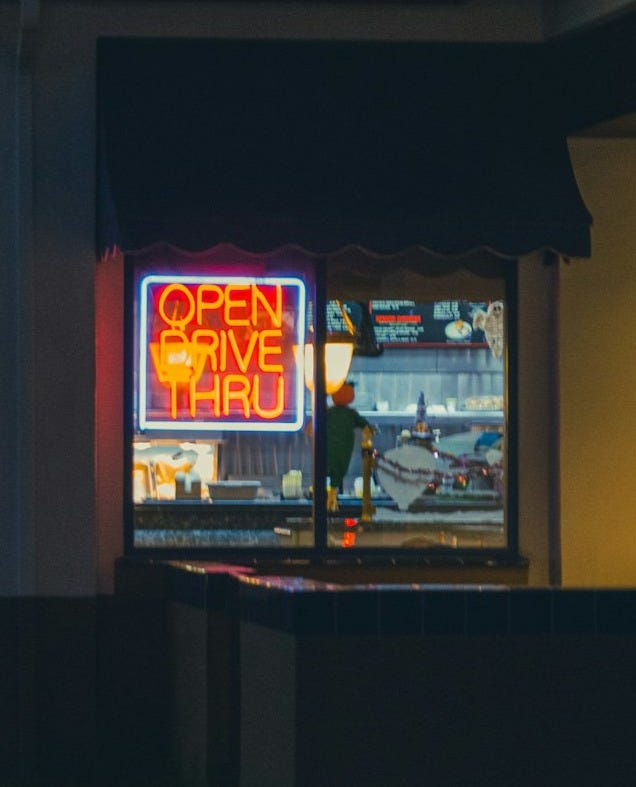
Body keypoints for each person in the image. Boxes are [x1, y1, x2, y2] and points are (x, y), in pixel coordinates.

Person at [326, 381, 371, 511]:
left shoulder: (331, 412)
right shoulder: (349, 413)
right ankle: (332, 500)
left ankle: (331, 500)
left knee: (332, 470)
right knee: (338, 470)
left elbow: (313, 425)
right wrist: (368, 436)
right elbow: (365, 426)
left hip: (332, 446)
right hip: (343, 447)